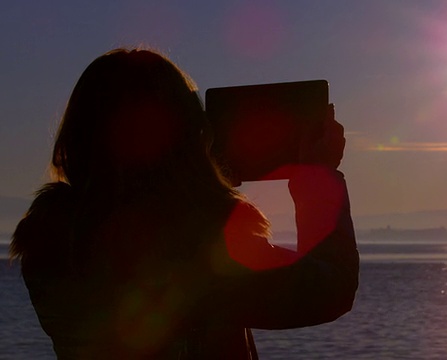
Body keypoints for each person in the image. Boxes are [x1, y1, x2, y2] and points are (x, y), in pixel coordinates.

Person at [10, 48, 359, 359]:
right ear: (186, 138)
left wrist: (203, 187)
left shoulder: (54, 247)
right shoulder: (191, 252)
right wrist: (318, 177)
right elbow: (328, 289)